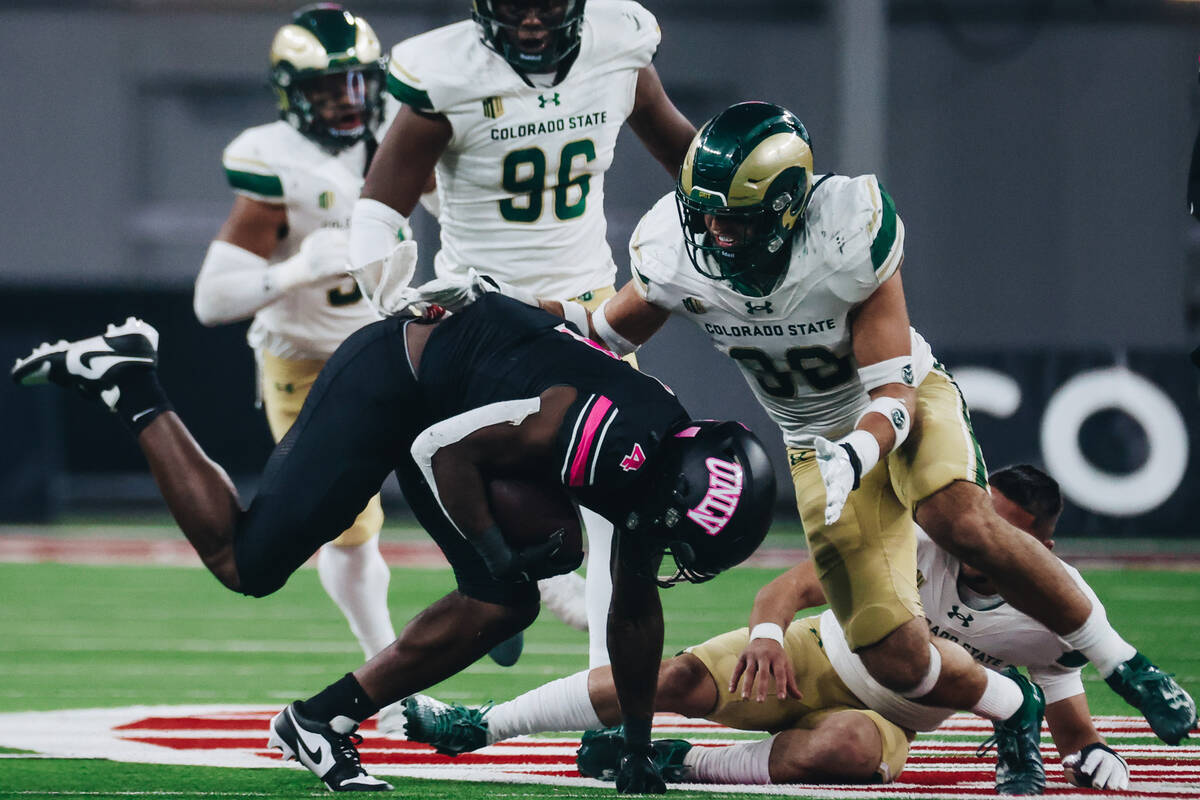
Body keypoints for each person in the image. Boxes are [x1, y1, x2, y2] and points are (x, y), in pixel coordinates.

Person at [432, 100, 1197, 775]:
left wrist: (862, 452)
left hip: (903, 408)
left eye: (739, 218)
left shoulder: (849, 232)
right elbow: (603, 325)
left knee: (953, 517)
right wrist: (503, 309)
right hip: (810, 437)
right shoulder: (680, 252)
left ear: (792, 209)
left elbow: (892, 390)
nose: (719, 235)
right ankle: (1009, 705)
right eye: (709, 216)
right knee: (891, 654)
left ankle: (1125, 663)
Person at [11, 293, 777, 794]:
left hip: (459, 400)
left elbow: (636, 612)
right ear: (676, 479)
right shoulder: (611, 442)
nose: (673, 552)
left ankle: (320, 718)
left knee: (517, 584)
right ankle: (133, 384)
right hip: (400, 381)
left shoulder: (655, 453)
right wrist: (500, 557)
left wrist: (637, 748)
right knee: (246, 563)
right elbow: (450, 455)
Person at [402, 465, 1141, 793]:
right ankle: (481, 724)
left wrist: (1093, 755)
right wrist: (765, 637)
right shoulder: (920, 536)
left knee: (848, 748)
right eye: (980, 523)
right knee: (673, 676)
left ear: (1039, 551)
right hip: (811, 651)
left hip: (886, 718)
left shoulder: (1058, 606)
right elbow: (793, 584)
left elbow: (1068, 716)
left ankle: (676, 763)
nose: (977, 541)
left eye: (1001, 537)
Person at [347, 0, 698, 671]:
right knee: (481, 474)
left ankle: (603, 684)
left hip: (589, 310)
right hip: (485, 317)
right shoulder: (447, 70)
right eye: (512, 4)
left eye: (545, 4)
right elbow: (377, 207)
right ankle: (504, 577)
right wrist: (393, 295)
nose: (531, 21)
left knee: (615, 512)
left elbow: (692, 161)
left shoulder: (618, 47)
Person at [191, 2, 397, 663]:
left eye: (357, 82)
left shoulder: (404, 128)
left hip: (391, 343)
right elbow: (211, 299)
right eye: (326, 87)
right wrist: (299, 269)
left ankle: (532, 589)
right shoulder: (272, 161)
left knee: (483, 451)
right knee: (348, 528)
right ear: (293, 93)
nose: (346, 99)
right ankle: (387, 666)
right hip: (307, 361)